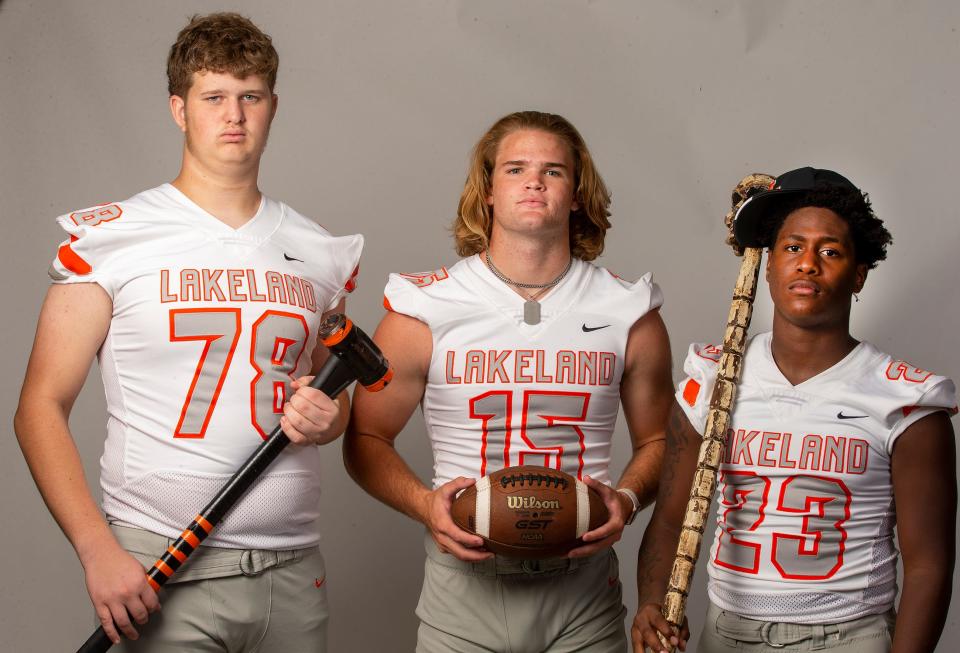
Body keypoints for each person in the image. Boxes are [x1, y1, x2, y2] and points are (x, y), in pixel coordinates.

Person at [13, 13, 361, 651]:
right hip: (160, 562)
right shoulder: (113, 237)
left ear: (273, 107)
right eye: (214, 97)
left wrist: (326, 415)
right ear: (179, 109)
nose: (235, 115)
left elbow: (328, 402)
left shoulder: (319, 250)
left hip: (293, 570)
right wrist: (97, 551)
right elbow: (39, 405)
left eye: (250, 96)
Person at [344, 110, 673, 652]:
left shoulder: (628, 310)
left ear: (576, 194)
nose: (535, 182)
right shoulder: (424, 307)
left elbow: (662, 443)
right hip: (464, 584)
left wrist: (628, 500)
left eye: (554, 171)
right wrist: (425, 505)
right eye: (516, 169)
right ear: (489, 191)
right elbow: (365, 438)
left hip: (583, 588)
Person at [631, 167, 958, 653]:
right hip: (727, 634)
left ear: (859, 274)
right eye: (792, 248)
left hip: (849, 636)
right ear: (767, 268)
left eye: (830, 251)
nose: (808, 264)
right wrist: (652, 602)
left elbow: (929, 565)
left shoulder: (904, 401)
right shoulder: (713, 380)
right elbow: (670, 519)